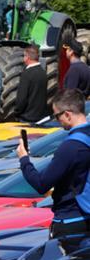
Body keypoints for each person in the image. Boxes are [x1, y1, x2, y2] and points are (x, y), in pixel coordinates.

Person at [17, 89, 90, 237]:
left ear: (67, 114)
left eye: (57, 116)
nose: (57, 121)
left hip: (70, 222)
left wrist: (24, 159)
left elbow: (41, 184)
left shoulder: (71, 147)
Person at [13, 44, 49, 122]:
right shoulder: (43, 73)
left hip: (27, 118)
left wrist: (16, 112)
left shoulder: (27, 74)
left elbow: (22, 98)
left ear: (27, 57)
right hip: (40, 117)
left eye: (24, 56)